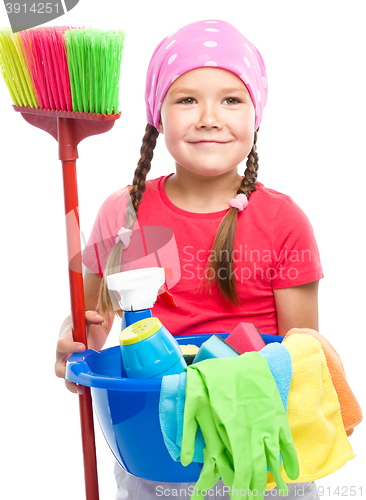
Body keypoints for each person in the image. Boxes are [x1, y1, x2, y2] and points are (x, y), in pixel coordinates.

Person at [55, 19, 323, 500]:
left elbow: (301, 353)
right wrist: (74, 341)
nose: (208, 117)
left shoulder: (284, 221)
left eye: (231, 99)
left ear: (256, 114)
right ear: (158, 114)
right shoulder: (125, 213)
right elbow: (94, 321)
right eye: (186, 99)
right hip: (156, 447)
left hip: (257, 450)